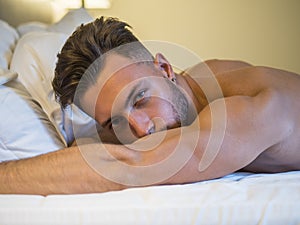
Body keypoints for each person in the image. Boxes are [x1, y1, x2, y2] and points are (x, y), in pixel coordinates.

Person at [0, 17, 299, 195]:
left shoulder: (256, 105)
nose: (141, 130)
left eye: (140, 99)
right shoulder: (176, 97)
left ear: (165, 68)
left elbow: (129, 163)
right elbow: (87, 146)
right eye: (115, 122)